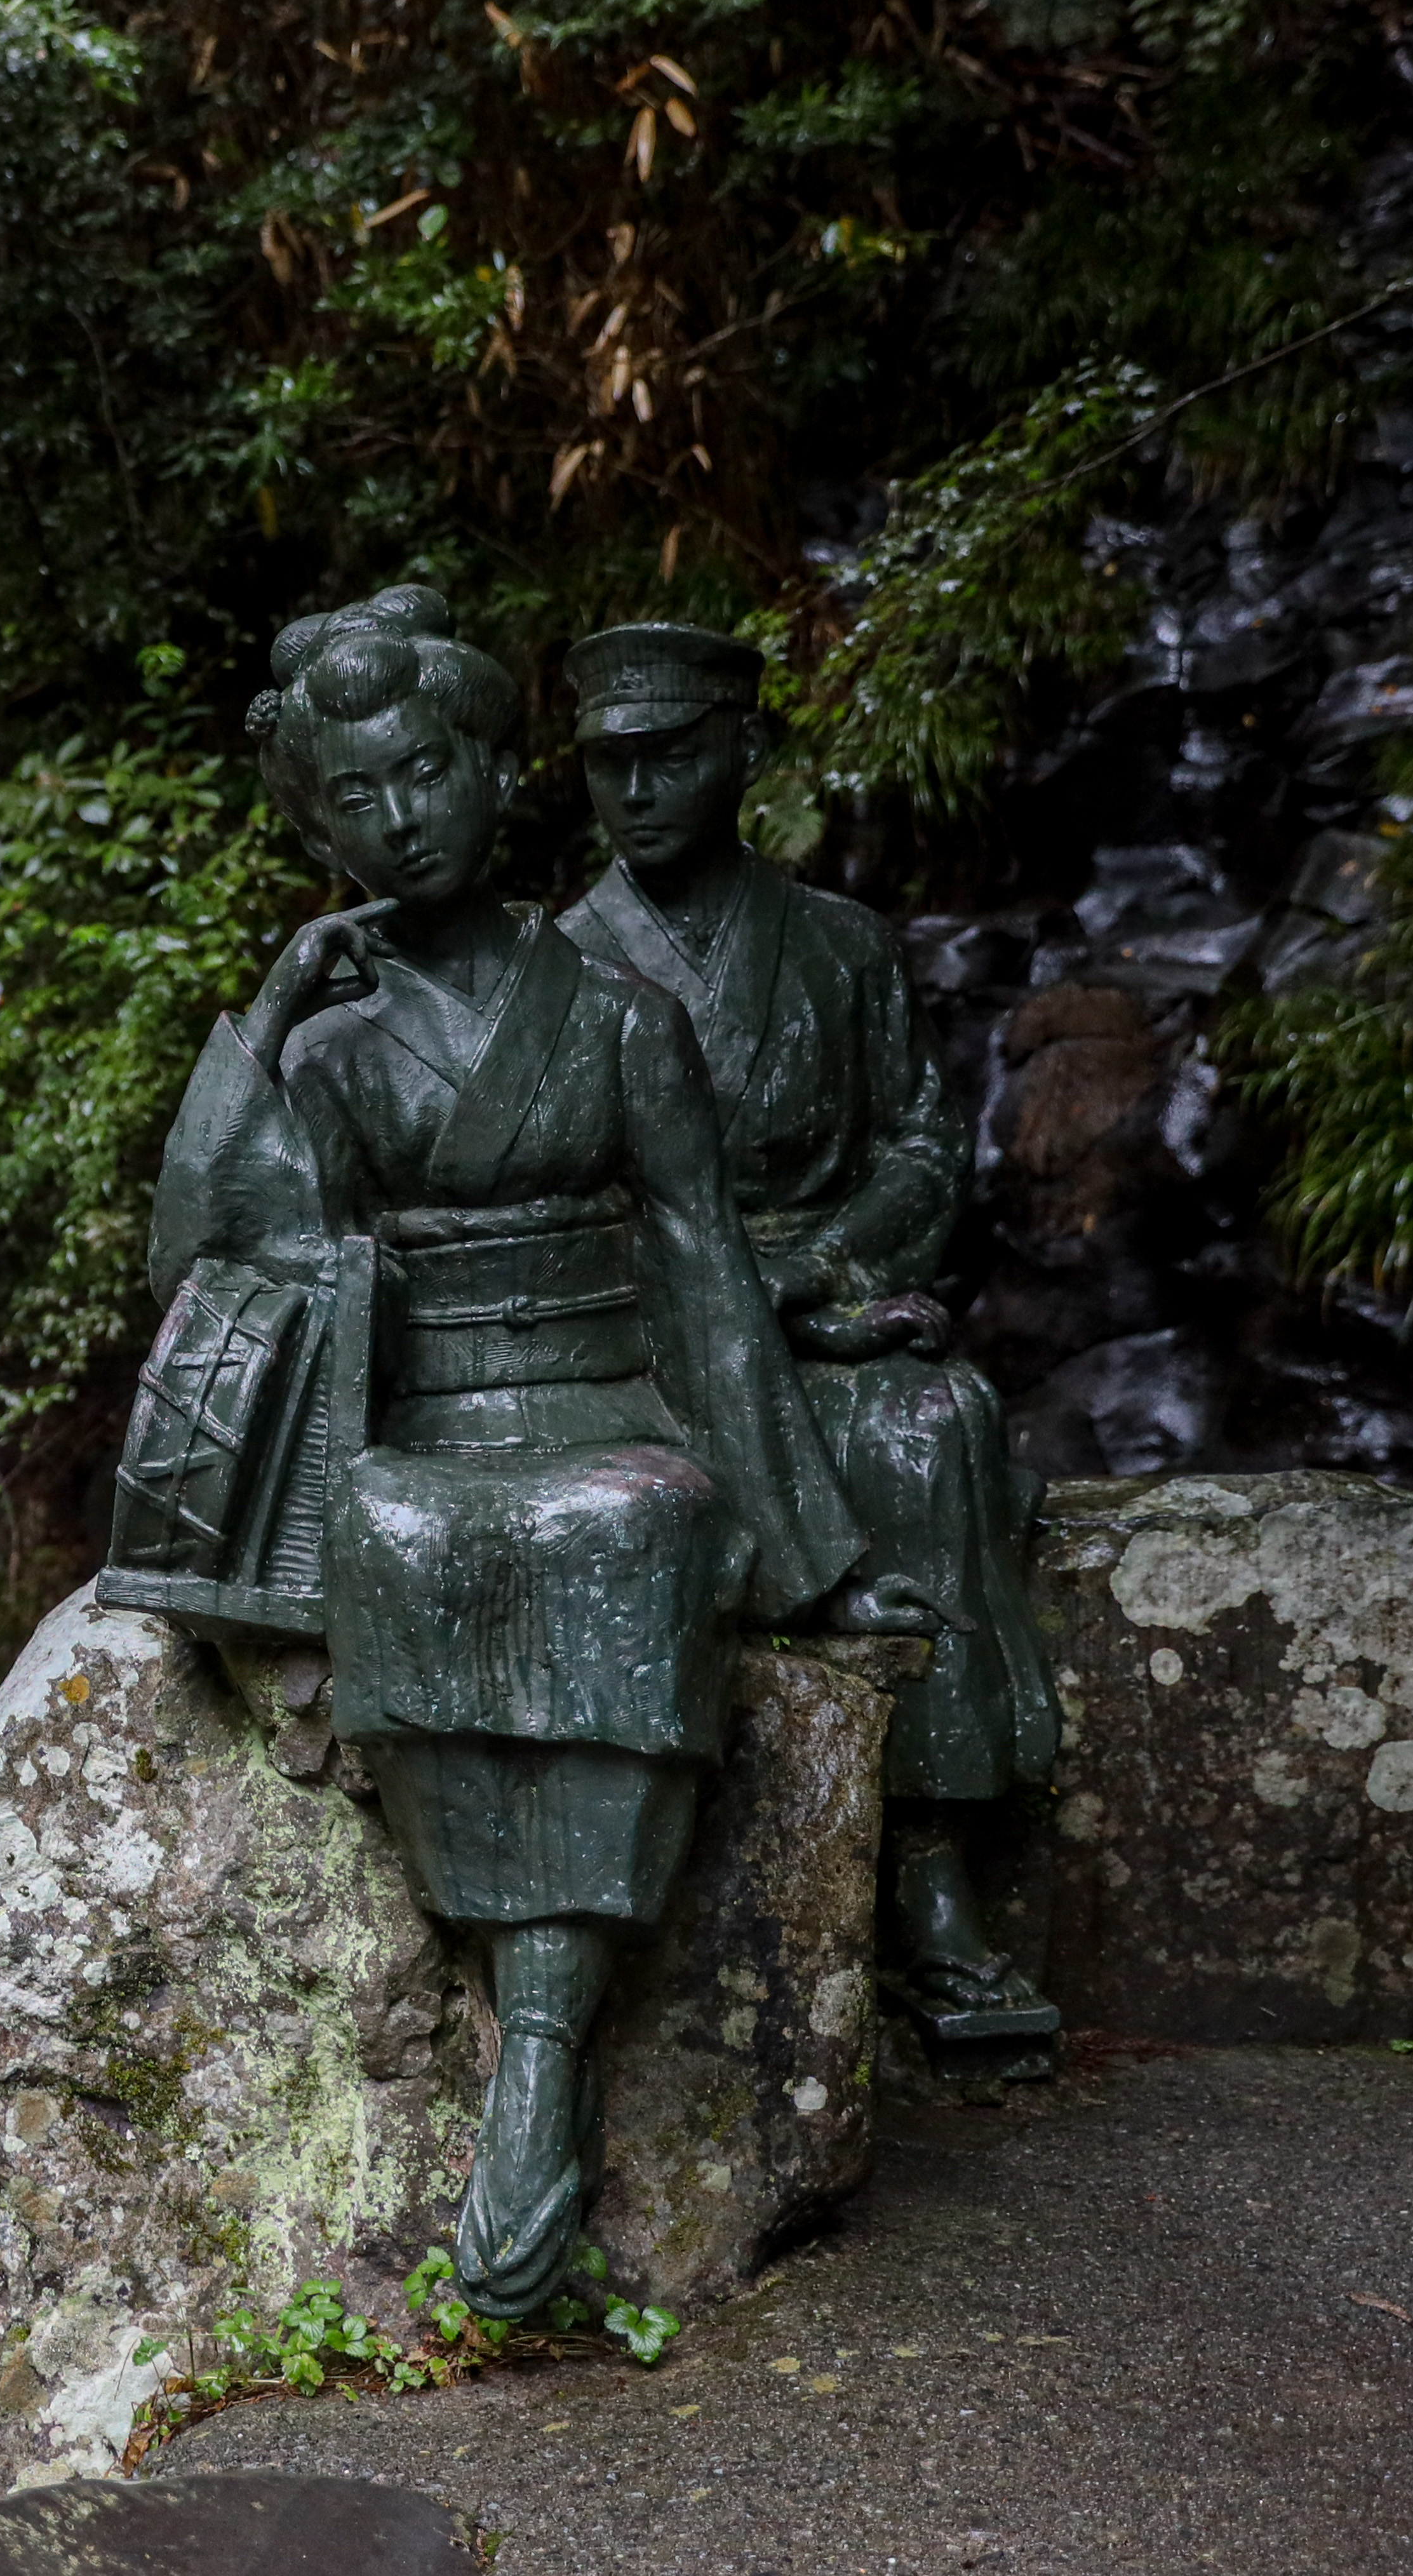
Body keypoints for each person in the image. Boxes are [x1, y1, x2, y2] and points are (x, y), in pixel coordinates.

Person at [108, 585, 857, 2319]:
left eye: (422, 774)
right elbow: (205, 1252)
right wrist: (273, 997)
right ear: (312, 826)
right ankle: (524, 2006)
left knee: (635, 1527)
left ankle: (540, 2045)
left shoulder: (610, 1013)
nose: (393, 818)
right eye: (349, 799)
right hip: (424, 1419)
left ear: (490, 772)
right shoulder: (334, 1036)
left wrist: (788, 1524)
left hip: (604, 1402)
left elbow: (701, 1268)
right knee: (398, 1535)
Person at [558, 622, 1060, 2058]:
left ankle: (933, 1880)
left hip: (818, 1317)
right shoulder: (556, 970)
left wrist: (822, 1265)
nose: (636, 786)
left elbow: (917, 1144)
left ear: (744, 754)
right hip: (651, 1337)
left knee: (931, 1423)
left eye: (668, 753)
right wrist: (717, 1289)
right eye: (609, 760)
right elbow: (549, 1196)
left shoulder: (839, 948)